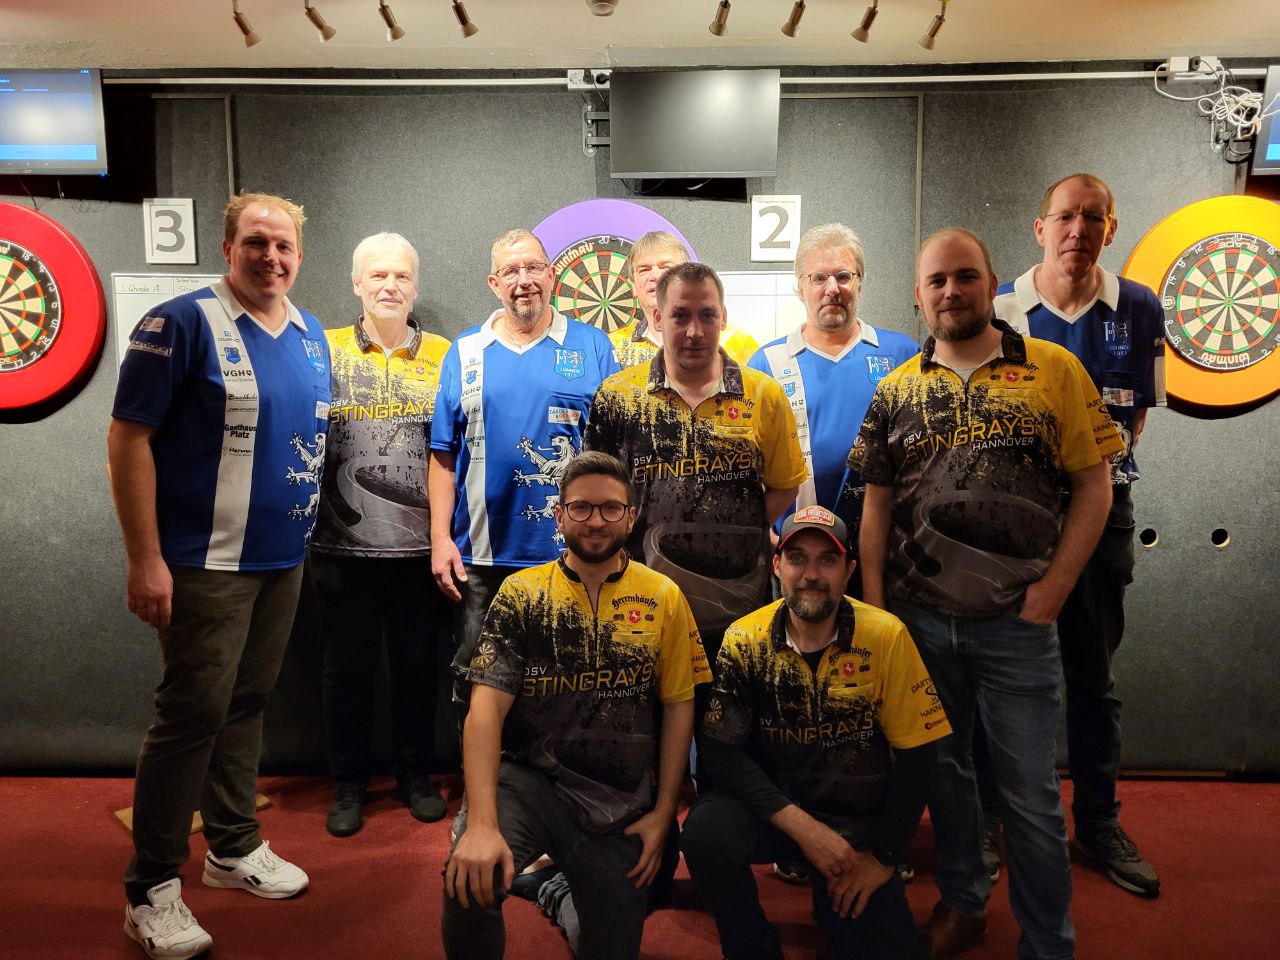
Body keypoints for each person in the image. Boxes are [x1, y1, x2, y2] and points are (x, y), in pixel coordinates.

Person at [854, 228, 1123, 960]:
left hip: (1017, 625)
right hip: (920, 622)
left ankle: (1048, 943)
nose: (951, 292)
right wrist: (879, 614)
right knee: (946, 780)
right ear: (918, 295)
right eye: (936, 281)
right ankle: (965, 905)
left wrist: (1054, 590)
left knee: (1030, 796)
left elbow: (1095, 487)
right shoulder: (897, 390)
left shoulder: (1054, 369)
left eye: (965, 276)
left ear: (990, 282)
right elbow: (876, 508)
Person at [109, 192, 325, 959]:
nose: (272, 257)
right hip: (205, 565)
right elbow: (128, 438)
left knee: (246, 704)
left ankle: (232, 848)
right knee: (190, 716)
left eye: (284, 245)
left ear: (300, 254)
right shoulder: (180, 323)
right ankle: (151, 889)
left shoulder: (309, 333)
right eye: (256, 242)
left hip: (281, 562)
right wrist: (146, 557)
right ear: (229, 248)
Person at [440, 452, 711, 960]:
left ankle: (552, 887)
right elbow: (484, 712)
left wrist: (663, 812)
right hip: (531, 783)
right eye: (582, 508)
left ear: (631, 517)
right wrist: (480, 824)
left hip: (619, 801)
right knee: (468, 879)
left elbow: (679, 707)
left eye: (611, 509)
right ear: (559, 515)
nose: (596, 521)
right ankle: (538, 866)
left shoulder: (664, 596)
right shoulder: (521, 594)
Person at [990, 173, 1165, 898]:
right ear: (1040, 228)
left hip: (1103, 511)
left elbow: (1138, 415)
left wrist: (1089, 481)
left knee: (1093, 678)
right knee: (999, 676)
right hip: (1012, 519)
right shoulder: (1001, 308)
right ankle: (996, 822)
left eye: (1094, 217)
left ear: (1110, 229)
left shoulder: (1140, 307)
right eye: (1065, 216)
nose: (1078, 229)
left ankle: (1097, 821)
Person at [681, 505, 946, 960]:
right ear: (777, 566)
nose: (811, 575)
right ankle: (754, 950)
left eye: (827, 560)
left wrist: (883, 857)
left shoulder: (886, 636)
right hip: (777, 817)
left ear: (849, 571)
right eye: (797, 558)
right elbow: (721, 752)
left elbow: (920, 755)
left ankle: (834, 905)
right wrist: (805, 830)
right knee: (706, 832)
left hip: (855, 829)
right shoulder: (744, 639)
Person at [429, 228, 620, 724]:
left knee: (568, 685)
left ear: (552, 276)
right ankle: (482, 775)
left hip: (572, 554)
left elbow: (615, 455)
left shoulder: (593, 346)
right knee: (479, 685)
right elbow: (443, 454)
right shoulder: (465, 350)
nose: (524, 280)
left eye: (533, 267)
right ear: (494, 283)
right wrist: (439, 540)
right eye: (510, 271)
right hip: (481, 557)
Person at [585, 261, 805, 669]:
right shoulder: (617, 397)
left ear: (724, 316)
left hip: (737, 605)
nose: (694, 331)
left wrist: (736, 528)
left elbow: (785, 484)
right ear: (657, 318)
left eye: (707, 315)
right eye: (680, 316)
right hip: (639, 603)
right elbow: (593, 496)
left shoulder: (764, 395)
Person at [309, 232, 452, 837]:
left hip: (421, 549)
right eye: (377, 276)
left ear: (415, 287)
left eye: (400, 276)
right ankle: (349, 783)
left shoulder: (447, 355)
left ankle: (414, 776)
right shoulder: (323, 349)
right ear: (356, 284)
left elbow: (454, 448)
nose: (389, 286)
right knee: (346, 671)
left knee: (418, 670)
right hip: (340, 546)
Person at [748, 222, 918, 545]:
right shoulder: (766, 364)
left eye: (843, 276)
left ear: (860, 283)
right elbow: (748, 464)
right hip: (799, 551)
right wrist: (764, 533)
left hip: (888, 548)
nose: (832, 289)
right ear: (801, 288)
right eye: (818, 278)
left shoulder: (903, 355)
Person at [611, 230, 760, 368]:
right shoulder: (614, 347)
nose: (655, 276)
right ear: (633, 285)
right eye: (644, 270)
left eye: (665, 267)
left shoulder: (736, 342)